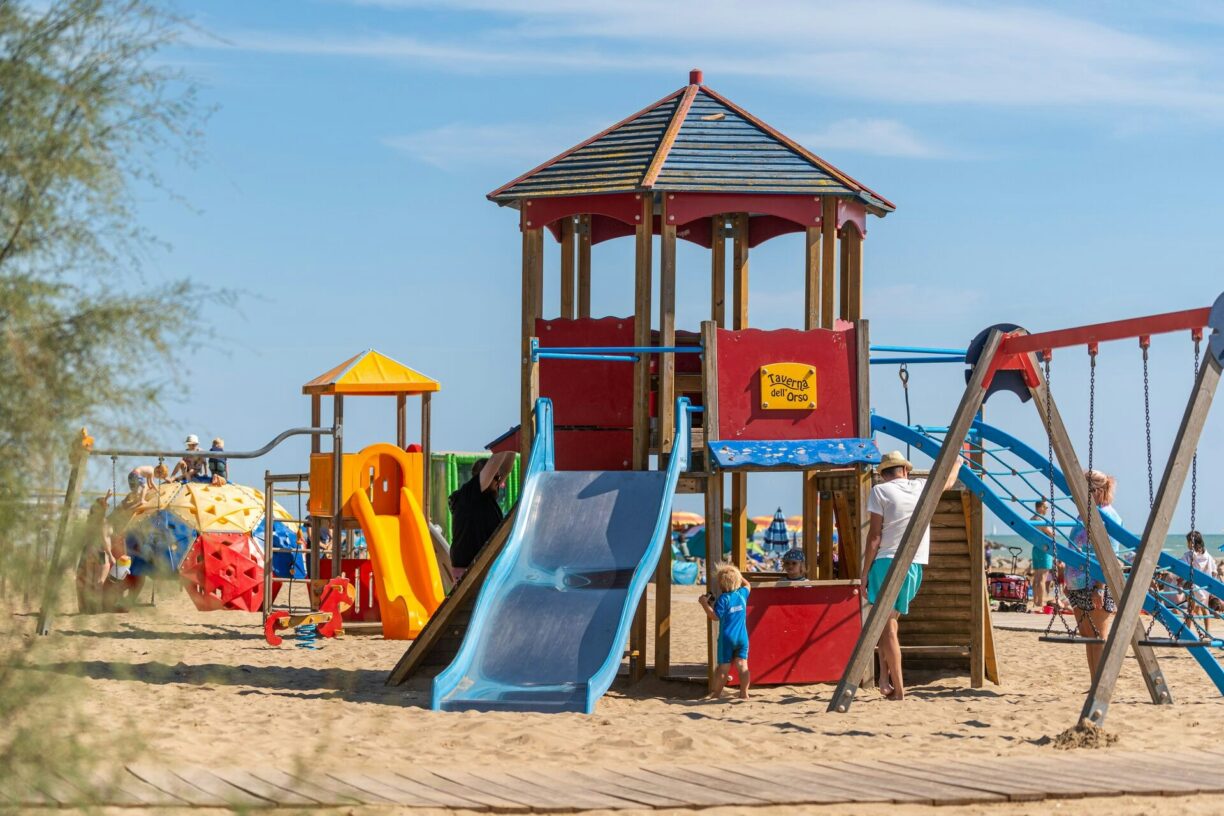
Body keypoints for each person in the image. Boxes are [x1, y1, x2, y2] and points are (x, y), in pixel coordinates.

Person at [864, 450, 961, 700]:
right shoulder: (920, 486)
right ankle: (884, 680)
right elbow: (948, 482)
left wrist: (863, 573)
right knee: (887, 624)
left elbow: (874, 537)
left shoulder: (879, 491)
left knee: (888, 628)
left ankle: (898, 689)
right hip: (915, 564)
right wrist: (958, 461)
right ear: (905, 470)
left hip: (886, 562)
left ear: (883, 473)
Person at [1065, 470, 1123, 682]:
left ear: (1096, 491)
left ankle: (1101, 685)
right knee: (1089, 637)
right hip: (1077, 583)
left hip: (1096, 583)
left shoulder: (1108, 516)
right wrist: (1066, 578)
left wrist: (1099, 587)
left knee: (1099, 637)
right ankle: (1094, 683)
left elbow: (1109, 554)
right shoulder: (1083, 513)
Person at [448, 451, 515, 579]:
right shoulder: (469, 494)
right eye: (496, 478)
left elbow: (505, 470)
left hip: (479, 567)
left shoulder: (485, 496)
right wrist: (503, 448)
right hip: (468, 569)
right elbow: (493, 466)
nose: (499, 482)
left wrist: (512, 449)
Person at [698, 563, 751, 700]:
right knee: (742, 666)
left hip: (727, 638)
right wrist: (737, 575)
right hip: (742, 637)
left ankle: (716, 694)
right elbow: (748, 584)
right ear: (738, 581)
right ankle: (744, 693)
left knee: (723, 668)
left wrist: (704, 603)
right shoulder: (742, 594)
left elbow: (715, 616)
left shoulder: (723, 599)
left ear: (721, 584)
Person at [1181, 531, 1214, 633]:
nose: (1187, 544)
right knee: (1205, 608)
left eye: (1188, 541)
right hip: (1205, 586)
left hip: (1193, 586)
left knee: (1190, 608)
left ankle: (1188, 631)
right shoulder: (1208, 556)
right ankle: (1207, 631)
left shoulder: (1188, 556)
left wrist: (1180, 580)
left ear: (1192, 542)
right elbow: (1214, 571)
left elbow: (1182, 567)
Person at [1030, 499, 1055, 611]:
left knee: (1036, 577)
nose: (1047, 509)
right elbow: (1051, 533)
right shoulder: (1040, 520)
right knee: (1042, 578)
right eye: (1045, 507)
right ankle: (1040, 602)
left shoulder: (1032, 519)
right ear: (1040, 508)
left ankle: (1035, 601)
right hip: (1044, 549)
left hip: (1036, 548)